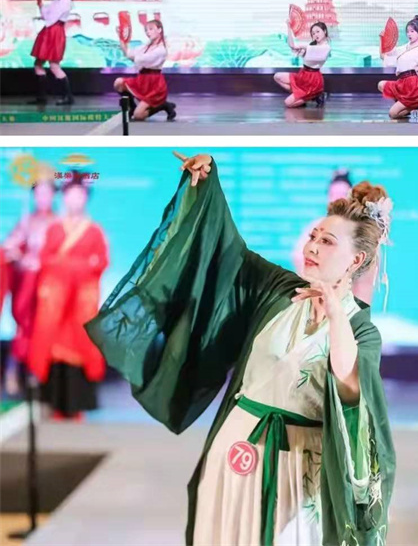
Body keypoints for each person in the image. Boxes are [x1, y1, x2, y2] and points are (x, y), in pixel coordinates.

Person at [86, 152, 395, 546]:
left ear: (357, 259)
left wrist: (335, 313)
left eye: (327, 241)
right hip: (235, 449)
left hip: (299, 470)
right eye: (314, 236)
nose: (313, 246)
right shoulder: (279, 290)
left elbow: (351, 392)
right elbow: (227, 251)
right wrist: (206, 184)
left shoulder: (360, 331)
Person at [28, 172, 109, 421]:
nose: (75, 200)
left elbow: (101, 262)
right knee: (53, 347)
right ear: (64, 197)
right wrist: (70, 268)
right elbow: (45, 259)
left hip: (80, 303)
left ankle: (78, 406)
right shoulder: (54, 228)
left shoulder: (94, 231)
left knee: (81, 347)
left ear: (85, 198)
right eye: (71, 195)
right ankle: (55, 405)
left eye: (79, 195)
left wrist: (75, 268)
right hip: (58, 302)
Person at [1, 177, 58, 395]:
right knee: (24, 328)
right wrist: (19, 256)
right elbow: (9, 247)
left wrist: (43, 262)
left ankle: (40, 376)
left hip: (49, 286)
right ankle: (13, 373)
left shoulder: (58, 223)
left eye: (47, 193)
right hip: (27, 285)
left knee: (44, 330)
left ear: (53, 195)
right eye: (39, 193)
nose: (43, 198)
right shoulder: (26, 222)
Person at [292, 169, 377, 304]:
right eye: (333, 194)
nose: (337, 198)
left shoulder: (359, 231)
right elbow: (298, 257)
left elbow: (366, 282)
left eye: (342, 194)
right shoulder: (316, 225)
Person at [114, 19, 176, 121]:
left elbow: (140, 60)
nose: (148, 32)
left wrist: (132, 52)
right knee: (118, 83)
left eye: (151, 29)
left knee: (138, 116)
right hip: (142, 80)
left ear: (159, 30)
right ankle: (131, 107)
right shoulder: (146, 46)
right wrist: (121, 37)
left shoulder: (161, 49)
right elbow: (129, 54)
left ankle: (163, 105)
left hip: (154, 84)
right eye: (146, 30)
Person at [377, 15, 418, 120]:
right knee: (381, 85)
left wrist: (417, 69)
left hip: (413, 86)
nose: (409, 34)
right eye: (407, 31)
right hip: (401, 83)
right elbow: (383, 56)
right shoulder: (403, 48)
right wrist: (382, 39)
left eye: (412, 31)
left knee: (392, 114)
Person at [29, 0, 75, 106]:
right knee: (38, 64)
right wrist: (40, 5)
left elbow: (50, 19)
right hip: (49, 32)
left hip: (54, 33)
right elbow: (46, 15)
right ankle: (41, 97)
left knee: (54, 66)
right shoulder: (58, 2)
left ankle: (68, 97)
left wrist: (43, 10)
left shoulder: (66, 2)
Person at [274, 21, 331, 108]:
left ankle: (314, 96)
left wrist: (304, 48)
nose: (315, 35)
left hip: (313, 80)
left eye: (318, 31)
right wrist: (289, 27)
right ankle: (302, 97)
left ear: (325, 31)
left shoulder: (326, 47)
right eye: (313, 33)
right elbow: (292, 45)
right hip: (303, 74)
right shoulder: (311, 46)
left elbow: (316, 52)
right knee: (277, 76)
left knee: (287, 103)